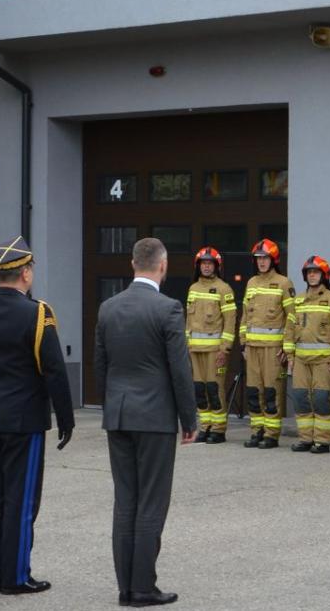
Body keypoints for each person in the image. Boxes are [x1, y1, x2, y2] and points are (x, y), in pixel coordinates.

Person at [0, 236, 76, 594]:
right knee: (21, 501)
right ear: (25, 273)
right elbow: (54, 370)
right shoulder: (37, 313)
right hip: (24, 420)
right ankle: (15, 577)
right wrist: (66, 417)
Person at [96, 237, 196, 607]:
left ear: (132, 263)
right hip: (154, 417)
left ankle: (126, 586)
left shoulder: (108, 307)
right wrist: (189, 418)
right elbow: (179, 370)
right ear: (163, 265)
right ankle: (142, 588)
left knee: (126, 502)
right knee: (151, 503)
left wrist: (111, 407)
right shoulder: (167, 308)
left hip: (119, 415)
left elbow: (101, 366)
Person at [239, 239, 295, 449]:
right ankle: (257, 431)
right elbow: (245, 315)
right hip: (252, 348)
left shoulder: (284, 283)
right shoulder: (251, 282)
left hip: (273, 350)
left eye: (265, 258)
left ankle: (271, 434)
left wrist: (286, 347)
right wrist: (243, 343)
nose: (261, 262)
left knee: (272, 391)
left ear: (274, 260)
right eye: (259, 259)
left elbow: (292, 317)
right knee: (254, 391)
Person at [287, 256, 330, 454]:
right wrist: (290, 356)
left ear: (324, 275)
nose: (312, 276)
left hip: (323, 361)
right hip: (301, 360)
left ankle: (322, 441)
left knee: (322, 399)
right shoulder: (299, 300)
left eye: (316, 272)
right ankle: (305, 439)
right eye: (309, 273)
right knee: (301, 398)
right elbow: (290, 329)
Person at [184, 247, 237, 443]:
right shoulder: (193, 289)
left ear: (216, 266)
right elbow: (188, 321)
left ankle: (218, 429)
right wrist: (186, 345)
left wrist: (225, 349)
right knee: (199, 389)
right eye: (203, 264)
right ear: (198, 266)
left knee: (215, 389)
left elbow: (230, 321)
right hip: (195, 350)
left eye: (209, 263)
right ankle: (205, 427)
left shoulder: (224, 289)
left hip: (216, 351)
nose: (206, 267)